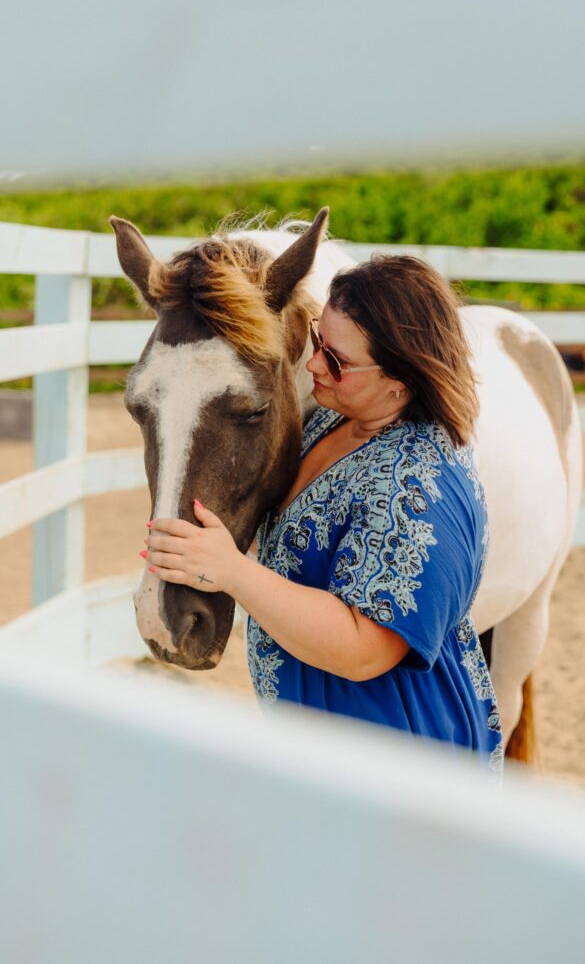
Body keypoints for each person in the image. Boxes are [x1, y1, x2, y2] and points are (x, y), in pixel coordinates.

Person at [145, 255, 502, 775]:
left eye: (336, 361)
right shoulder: (331, 425)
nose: (312, 367)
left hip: (400, 760)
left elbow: (364, 650)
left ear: (401, 378)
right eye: (317, 340)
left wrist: (231, 570)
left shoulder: (418, 485)